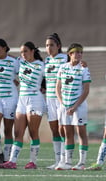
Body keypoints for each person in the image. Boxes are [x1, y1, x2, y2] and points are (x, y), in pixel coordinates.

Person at [1, 41, 45, 169]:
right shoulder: (20, 62)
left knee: (33, 132)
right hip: (22, 100)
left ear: (32, 51)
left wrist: (45, 88)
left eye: (25, 51)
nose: (23, 54)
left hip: (35, 99)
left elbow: (51, 78)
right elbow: (8, 57)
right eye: (21, 52)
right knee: (18, 132)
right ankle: (12, 161)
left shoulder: (41, 65)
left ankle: (33, 162)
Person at [55, 43, 91, 170]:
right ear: (70, 54)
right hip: (65, 106)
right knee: (67, 133)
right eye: (76, 52)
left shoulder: (84, 69)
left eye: (81, 52)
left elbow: (86, 91)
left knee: (81, 132)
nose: (79, 54)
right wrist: (62, 104)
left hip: (79, 106)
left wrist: (75, 106)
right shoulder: (62, 67)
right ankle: (68, 162)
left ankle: (81, 163)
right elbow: (58, 88)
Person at [0, 39, 19, 168]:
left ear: (5, 48)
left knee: (8, 130)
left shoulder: (13, 62)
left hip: (10, 99)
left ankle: (6, 159)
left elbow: (23, 75)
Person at [44, 33, 68, 169]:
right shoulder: (47, 61)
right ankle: (57, 160)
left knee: (62, 129)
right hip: (49, 99)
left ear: (58, 46)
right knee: (54, 129)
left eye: (52, 45)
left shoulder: (65, 58)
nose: (49, 48)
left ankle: (65, 160)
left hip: (62, 99)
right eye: (47, 45)